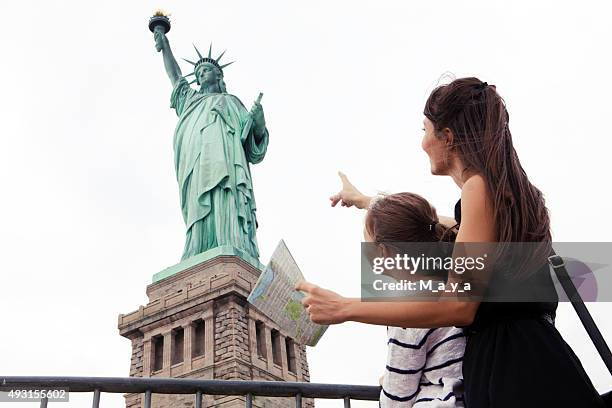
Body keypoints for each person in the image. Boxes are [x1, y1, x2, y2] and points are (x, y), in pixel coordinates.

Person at [297, 78, 605, 407]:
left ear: (447, 137)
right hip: (539, 362)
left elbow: (458, 305)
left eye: (425, 129)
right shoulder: (503, 191)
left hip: (512, 373)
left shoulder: (478, 188)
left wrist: (345, 307)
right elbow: (440, 226)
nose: (422, 142)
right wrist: (367, 201)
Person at [154, 28, 269, 261]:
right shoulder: (190, 100)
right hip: (196, 163)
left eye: (206, 70)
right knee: (199, 202)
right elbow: (175, 76)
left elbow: (253, 148)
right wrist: (164, 45)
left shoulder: (232, 102)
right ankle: (198, 246)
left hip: (227, 164)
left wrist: (258, 122)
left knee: (225, 195)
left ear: (218, 75)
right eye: (198, 72)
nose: (200, 75)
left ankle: (232, 241)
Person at [359, 189, 466, 407]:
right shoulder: (450, 289)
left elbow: (397, 398)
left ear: (383, 252)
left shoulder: (407, 308)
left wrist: (390, 383)